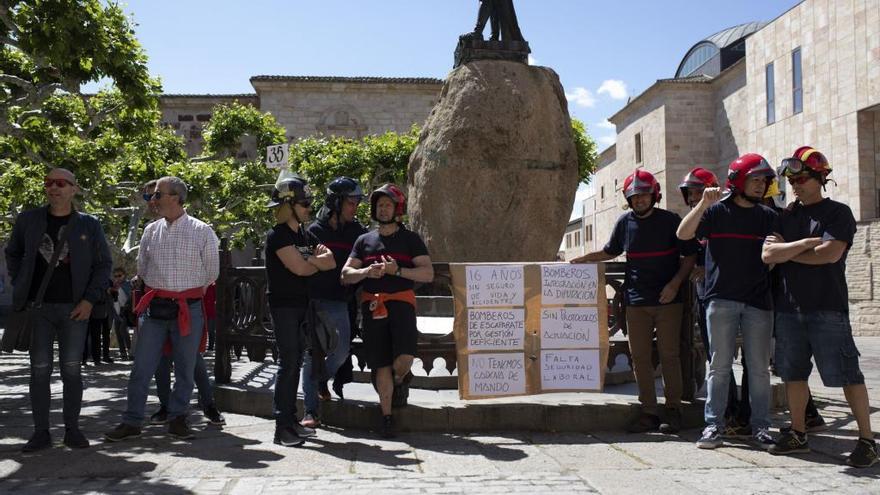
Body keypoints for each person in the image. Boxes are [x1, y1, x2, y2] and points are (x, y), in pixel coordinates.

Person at [763, 146, 877, 467]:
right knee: (793, 374)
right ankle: (798, 432)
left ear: (821, 177)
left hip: (828, 308)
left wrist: (788, 253)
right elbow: (768, 256)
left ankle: (867, 440)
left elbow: (830, 254)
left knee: (848, 374)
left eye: (802, 178)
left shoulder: (838, 213)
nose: (795, 185)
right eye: (792, 179)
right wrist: (801, 248)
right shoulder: (786, 217)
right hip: (789, 308)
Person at [572, 169, 696, 434]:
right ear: (628, 200)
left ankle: (674, 409)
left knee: (669, 355)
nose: (639, 200)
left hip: (668, 301)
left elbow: (689, 257)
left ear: (654, 195)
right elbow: (610, 251)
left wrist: (674, 285)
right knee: (639, 357)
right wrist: (584, 259)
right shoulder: (624, 222)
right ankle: (648, 411)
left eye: (643, 195)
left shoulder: (671, 221)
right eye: (634, 196)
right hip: (636, 300)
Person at [5, 168, 112, 452]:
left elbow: (103, 266)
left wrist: (89, 300)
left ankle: (72, 430)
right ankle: (41, 432)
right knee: (39, 370)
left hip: (74, 310)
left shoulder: (89, 225)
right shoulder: (28, 220)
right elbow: (12, 252)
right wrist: (20, 282)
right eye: (49, 183)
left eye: (61, 183)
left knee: (72, 370)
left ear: (73, 189)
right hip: (37, 309)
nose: (54, 188)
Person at [105, 176, 219, 442]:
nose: (152, 201)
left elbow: (212, 272)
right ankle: (132, 421)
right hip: (155, 310)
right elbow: (142, 268)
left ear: (176, 197)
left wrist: (184, 291)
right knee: (141, 368)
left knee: (185, 367)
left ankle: (178, 417)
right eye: (152, 196)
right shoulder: (150, 231)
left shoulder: (202, 231)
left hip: (187, 309)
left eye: (157, 195)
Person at [677, 153, 778, 450]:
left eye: (764, 180)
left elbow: (777, 251)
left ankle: (760, 427)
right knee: (719, 367)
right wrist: (702, 203)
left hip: (759, 301)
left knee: (758, 369)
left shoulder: (769, 216)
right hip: (720, 299)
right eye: (755, 179)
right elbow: (683, 233)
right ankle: (713, 427)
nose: (761, 186)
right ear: (738, 181)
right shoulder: (716, 212)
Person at [342, 184, 434, 438]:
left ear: (397, 209)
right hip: (373, 307)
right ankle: (386, 416)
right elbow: (345, 274)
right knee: (380, 363)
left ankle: (398, 380)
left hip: (402, 304)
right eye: (379, 205)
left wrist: (398, 271)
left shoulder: (410, 239)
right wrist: (365, 272)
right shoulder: (364, 241)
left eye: (388, 205)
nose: (383, 209)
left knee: (404, 358)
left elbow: (428, 273)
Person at [679, 168, 752, 435]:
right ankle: (730, 413)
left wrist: (707, 269)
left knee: (751, 361)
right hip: (706, 296)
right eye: (691, 193)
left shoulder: (724, 214)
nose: (694, 197)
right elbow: (685, 242)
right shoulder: (696, 217)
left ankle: (745, 415)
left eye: (700, 191)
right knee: (717, 359)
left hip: (735, 295)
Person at [264, 177, 336, 447]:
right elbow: (301, 269)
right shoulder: (278, 235)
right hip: (284, 306)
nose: (309, 207)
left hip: (302, 305)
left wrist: (309, 259)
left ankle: (292, 422)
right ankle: (282, 427)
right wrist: (312, 261)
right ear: (288, 205)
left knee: (296, 363)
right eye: (304, 203)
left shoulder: (305, 235)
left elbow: (330, 261)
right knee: (289, 363)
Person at [300, 177, 367, 428]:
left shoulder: (358, 233)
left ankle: (319, 380)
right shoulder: (314, 231)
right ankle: (310, 412)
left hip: (341, 302)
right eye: (351, 202)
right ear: (336, 202)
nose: (355, 207)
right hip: (315, 302)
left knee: (340, 352)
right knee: (311, 355)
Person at [109, 267, 132, 360]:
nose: (118, 277)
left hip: (125, 310)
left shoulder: (127, 284)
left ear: (124, 275)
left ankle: (130, 350)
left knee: (123, 330)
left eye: (120, 275)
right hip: (116, 310)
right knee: (118, 331)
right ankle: (122, 352)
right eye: (115, 276)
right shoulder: (114, 286)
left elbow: (130, 297)